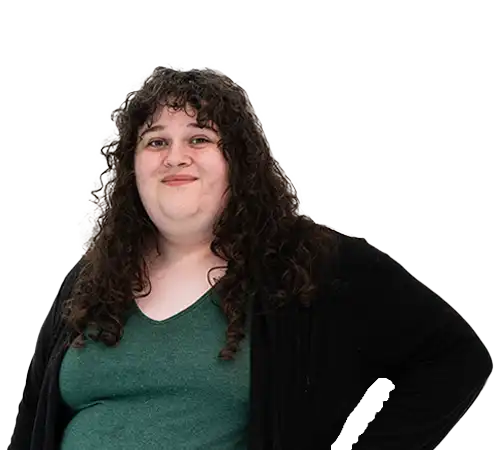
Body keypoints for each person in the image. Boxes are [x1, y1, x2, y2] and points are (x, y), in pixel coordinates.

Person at [9, 65, 494, 450]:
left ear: (237, 162)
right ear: (132, 169)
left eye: (199, 138)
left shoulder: (308, 263)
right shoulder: (92, 279)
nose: (175, 156)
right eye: (156, 141)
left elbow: (456, 358)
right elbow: (32, 423)